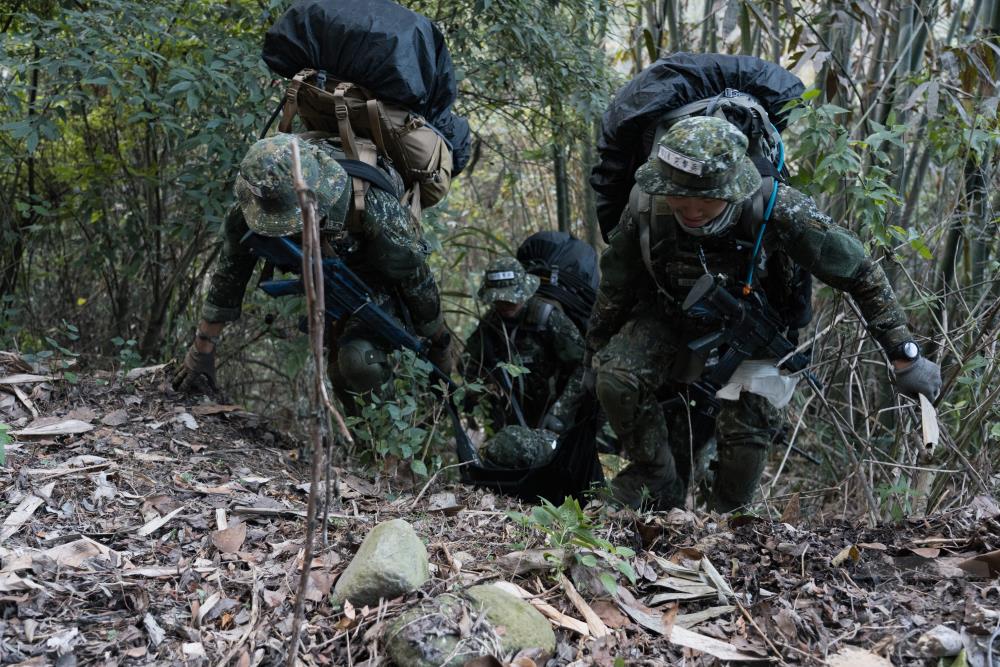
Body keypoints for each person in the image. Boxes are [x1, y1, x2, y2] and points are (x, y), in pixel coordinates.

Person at [587, 115, 942, 512]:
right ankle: (657, 477)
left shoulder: (778, 207)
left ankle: (727, 522)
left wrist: (904, 352)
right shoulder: (647, 205)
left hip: (755, 327)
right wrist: (595, 352)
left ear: (731, 190)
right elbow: (616, 284)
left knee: (745, 438)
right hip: (671, 315)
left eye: (704, 200)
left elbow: (859, 272)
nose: (691, 211)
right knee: (615, 379)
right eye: (678, 199)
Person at [172, 132, 452, 405]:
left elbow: (416, 279)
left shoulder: (372, 206)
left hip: (378, 286)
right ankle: (364, 436)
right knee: (338, 374)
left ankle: (391, 434)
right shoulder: (255, 203)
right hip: (331, 285)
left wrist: (440, 344)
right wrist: (201, 350)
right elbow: (229, 276)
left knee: (357, 360)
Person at [463, 256, 586, 434]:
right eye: (499, 300)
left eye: (510, 298)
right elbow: (468, 363)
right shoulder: (490, 323)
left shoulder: (547, 317)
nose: (505, 304)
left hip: (551, 411)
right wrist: (479, 390)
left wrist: (560, 412)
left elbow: (583, 366)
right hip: (508, 415)